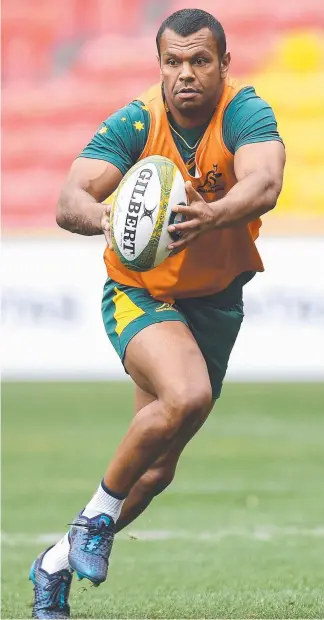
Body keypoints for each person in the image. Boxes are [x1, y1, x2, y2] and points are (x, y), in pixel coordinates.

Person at [30, 8, 285, 619]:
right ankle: (92, 523)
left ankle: (55, 562)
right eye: (174, 61)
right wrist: (110, 220)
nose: (186, 74)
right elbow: (71, 199)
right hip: (142, 292)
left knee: (157, 470)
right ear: (160, 65)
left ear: (224, 64)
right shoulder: (138, 120)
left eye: (201, 60)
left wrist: (211, 215)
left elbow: (265, 183)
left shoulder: (246, 112)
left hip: (216, 300)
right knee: (188, 395)